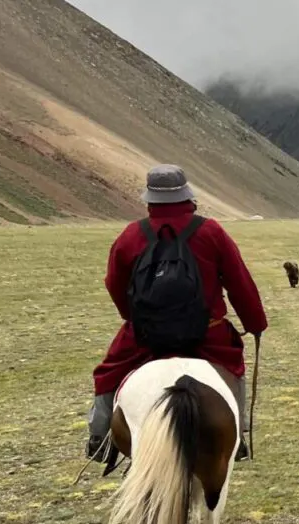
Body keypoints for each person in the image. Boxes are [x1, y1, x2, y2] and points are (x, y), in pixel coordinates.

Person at [88, 165, 267, 461]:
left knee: (108, 373)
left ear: (150, 200)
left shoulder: (131, 235)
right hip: (206, 333)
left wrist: (132, 318)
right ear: (187, 196)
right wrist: (255, 323)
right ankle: (237, 437)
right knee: (233, 367)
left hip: (147, 336)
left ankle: (100, 437)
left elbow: (114, 283)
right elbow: (239, 282)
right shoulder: (211, 231)